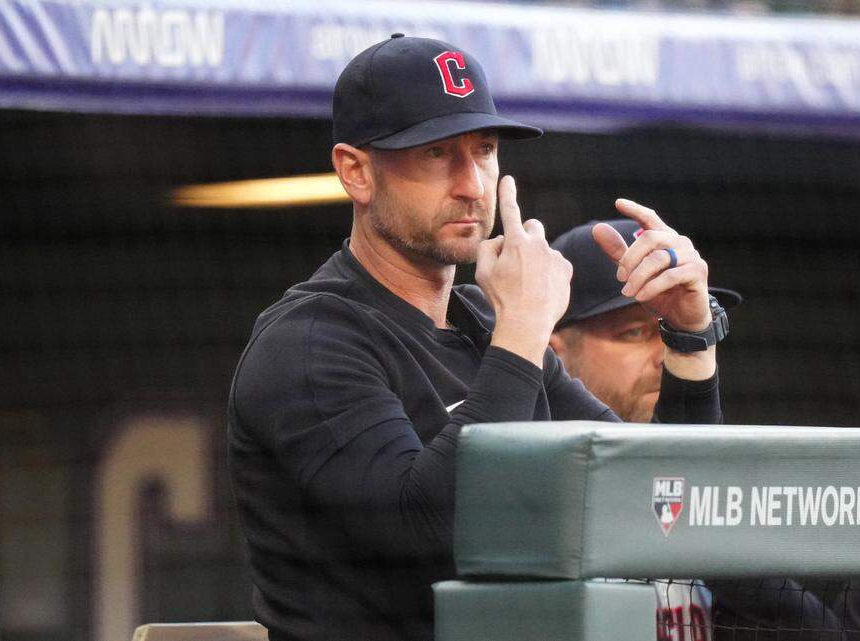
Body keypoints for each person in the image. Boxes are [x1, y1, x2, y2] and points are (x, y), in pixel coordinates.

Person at [228, 34, 726, 641]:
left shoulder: (484, 324)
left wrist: (690, 336)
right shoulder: (310, 341)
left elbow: (648, 502)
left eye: (484, 149)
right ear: (355, 172)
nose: (473, 184)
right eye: (437, 153)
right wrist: (520, 331)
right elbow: (430, 537)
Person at [550, 219, 741, 641]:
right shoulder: (532, 499)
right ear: (554, 354)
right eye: (634, 332)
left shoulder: (719, 489)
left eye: (672, 330)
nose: (664, 355)